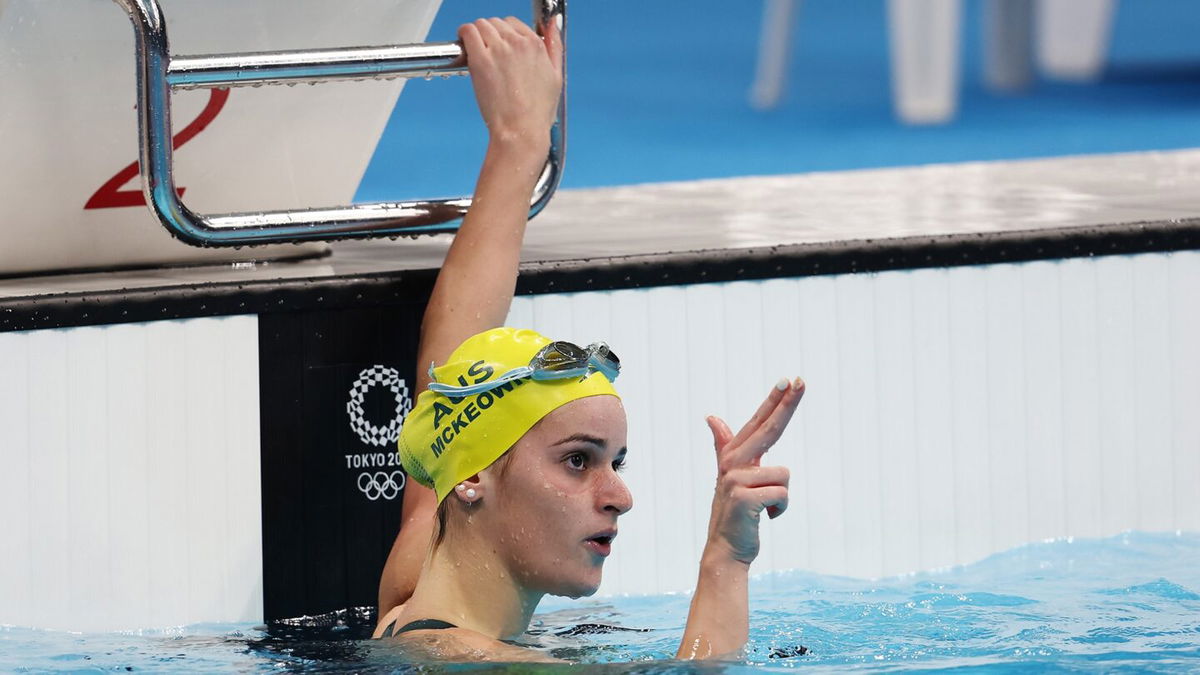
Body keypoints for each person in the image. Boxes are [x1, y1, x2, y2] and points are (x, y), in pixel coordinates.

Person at [372, 16, 804, 662]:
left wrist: (519, 141)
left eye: (614, 460)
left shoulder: (417, 583)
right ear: (474, 478)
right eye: (579, 460)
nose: (620, 495)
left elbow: (453, 357)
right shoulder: (462, 659)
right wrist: (726, 556)